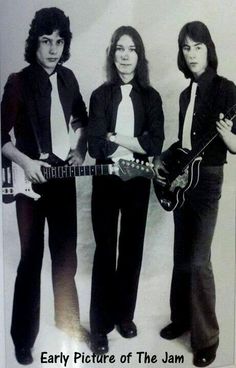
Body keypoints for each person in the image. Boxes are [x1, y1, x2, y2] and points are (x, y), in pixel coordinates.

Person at [1, 7, 88, 365]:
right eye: (45, 40)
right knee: (30, 260)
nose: (53, 48)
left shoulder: (69, 78)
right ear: (35, 43)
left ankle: (67, 322)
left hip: (63, 180)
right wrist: (26, 161)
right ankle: (23, 339)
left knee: (65, 259)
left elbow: (81, 119)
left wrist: (80, 150)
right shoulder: (18, 81)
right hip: (31, 184)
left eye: (59, 41)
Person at [154, 21, 236, 367]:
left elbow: (234, 145)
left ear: (209, 50)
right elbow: (186, 144)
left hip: (208, 182)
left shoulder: (227, 89)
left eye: (198, 47)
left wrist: (230, 137)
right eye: (186, 48)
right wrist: (165, 164)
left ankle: (207, 339)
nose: (191, 54)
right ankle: (183, 319)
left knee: (200, 261)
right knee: (180, 255)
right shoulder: (187, 94)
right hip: (182, 179)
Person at [88, 26, 164, 354]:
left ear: (139, 56)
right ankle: (100, 326)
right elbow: (94, 145)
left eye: (132, 49)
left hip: (137, 182)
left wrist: (114, 136)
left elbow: (154, 143)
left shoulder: (151, 97)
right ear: (112, 54)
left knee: (132, 250)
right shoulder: (100, 95)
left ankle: (124, 316)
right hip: (105, 181)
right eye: (120, 48)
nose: (125, 55)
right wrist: (125, 142)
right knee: (105, 251)